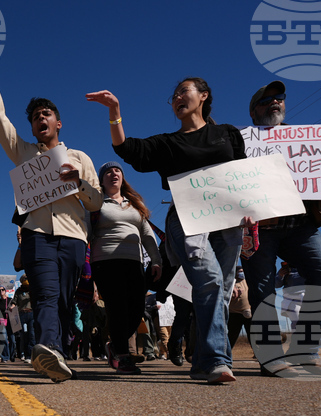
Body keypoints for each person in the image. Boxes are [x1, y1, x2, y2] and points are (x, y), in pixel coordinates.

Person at [87, 78, 253, 384]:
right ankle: (218, 360)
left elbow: (242, 174)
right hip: (188, 218)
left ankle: (202, 361)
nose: (176, 97)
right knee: (210, 280)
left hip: (227, 221)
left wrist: (252, 212)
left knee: (220, 289)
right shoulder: (168, 143)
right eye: (173, 95)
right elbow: (127, 148)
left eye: (183, 91)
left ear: (203, 96)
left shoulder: (227, 134)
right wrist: (115, 111)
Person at [0, 51, 104, 383]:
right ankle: (49, 347)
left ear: (58, 122)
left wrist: (77, 182)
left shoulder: (79, 157)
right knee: (46, 295)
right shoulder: (23, 153)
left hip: (73, 238)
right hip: (37, 235)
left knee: (65, 302)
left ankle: (58, 353)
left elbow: (95, 202)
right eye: (36, 116)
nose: (41, 119)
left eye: (46, 114)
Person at [242, 81, 321, 377]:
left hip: (301, 225)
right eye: (266, 100)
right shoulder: (241, 142)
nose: (275, 102)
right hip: (260, 228)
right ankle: (270, 357)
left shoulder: (309, 142)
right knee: (261, 290)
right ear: (254, 112)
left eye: (279, 98)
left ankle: (305, 352)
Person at [89, 161, 161, 375]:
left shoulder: (134, 204)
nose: (113, 174)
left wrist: (156, 260)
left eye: (117, 170)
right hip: (105, 262)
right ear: (101, 180)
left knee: (137, 309)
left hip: (134, 262)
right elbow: (86, 232)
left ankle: (114, 345)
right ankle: (122, 355)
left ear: (123, 177)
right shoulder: (95, 203)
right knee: (117, 307)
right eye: (108, 172)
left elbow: (147, 235)